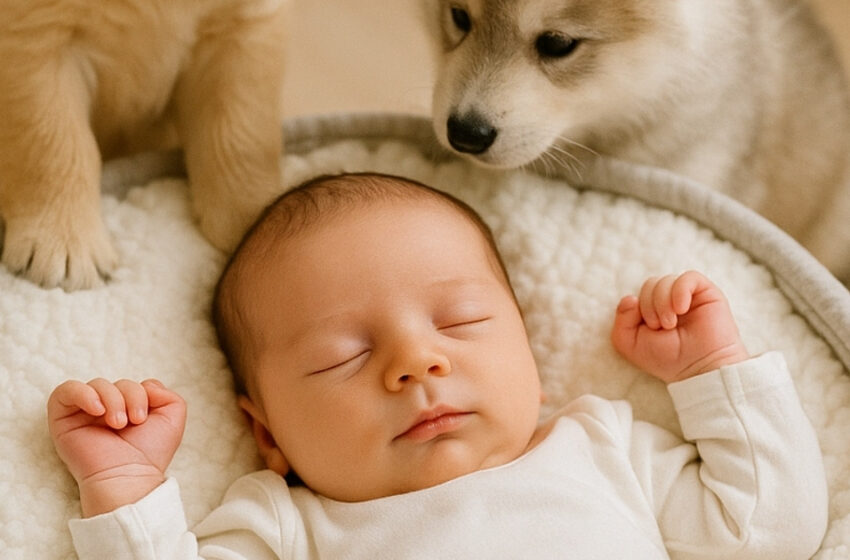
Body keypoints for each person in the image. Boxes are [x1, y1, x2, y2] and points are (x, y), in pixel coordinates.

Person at [47, 172, 828, 559]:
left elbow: (769, 533)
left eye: (462, 322)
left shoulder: (599, 447)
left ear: (530, 355)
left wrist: (714, 370)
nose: (417, 362)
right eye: (341, 358)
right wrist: (125, 489)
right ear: (267, 433)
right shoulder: (292, 525)